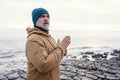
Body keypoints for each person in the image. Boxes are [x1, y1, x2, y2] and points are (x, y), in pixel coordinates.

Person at [25, 7, 71, 80]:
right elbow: (43, 65)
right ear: (35, 20)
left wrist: (63, 49)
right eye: (42, 16)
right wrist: (60, 48)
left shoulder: (48, 37)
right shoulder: (33, 40)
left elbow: (55, 58)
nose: (46, 19)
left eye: (47, 16)